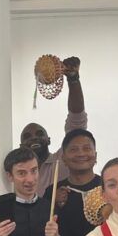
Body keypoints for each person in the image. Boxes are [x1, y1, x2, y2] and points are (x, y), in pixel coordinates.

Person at [24, 56, 88, 197]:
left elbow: (77, 122)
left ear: (49, 140)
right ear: (21, 146)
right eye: (27, 137)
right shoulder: (18, 174)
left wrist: (73, 80)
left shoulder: (63, 160)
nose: (34, 138)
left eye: (39, 134)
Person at [52, 128, 101, 236]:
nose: (81, 154)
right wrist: (55, 204)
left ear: (95, 155)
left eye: (86, 148)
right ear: (64, 158)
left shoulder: (108, 187)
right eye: (74, 149)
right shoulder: (53, 191)